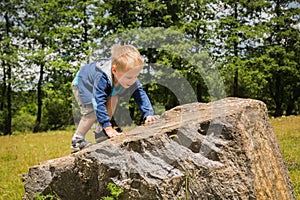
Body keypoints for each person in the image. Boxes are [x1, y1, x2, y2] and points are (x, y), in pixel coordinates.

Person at [71, 44, 159, 152]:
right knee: (91, 112)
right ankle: (77, 140)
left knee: (114, 97)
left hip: (101, 86)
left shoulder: (130, 76)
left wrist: (148, 114)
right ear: (114, 70)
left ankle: (100, 132)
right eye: (129, 77)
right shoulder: (102, 77)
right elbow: (98, 103)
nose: (132, 81)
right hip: (84, 84)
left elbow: (140, 94)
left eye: (136, 76)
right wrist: (108, 126)